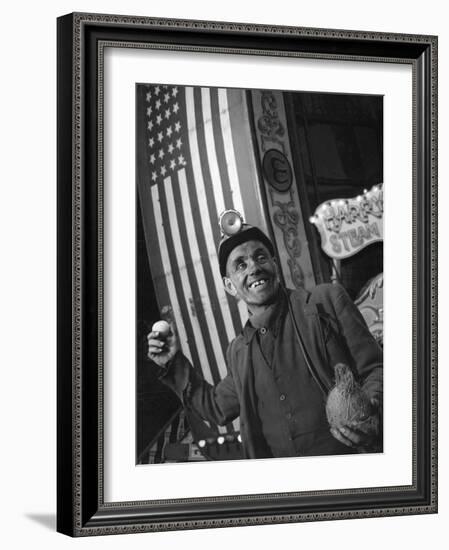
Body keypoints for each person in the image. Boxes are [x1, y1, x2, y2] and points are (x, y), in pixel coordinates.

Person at [147, 211, 382, 459]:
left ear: (274, 264)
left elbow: (376, 368)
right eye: (241, 265)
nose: (254, 268)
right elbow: (217, 408)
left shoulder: (327, 301)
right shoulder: (238, 351)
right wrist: (173, 362)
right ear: (230, 286)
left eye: (261, 257)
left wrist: (371, 411)